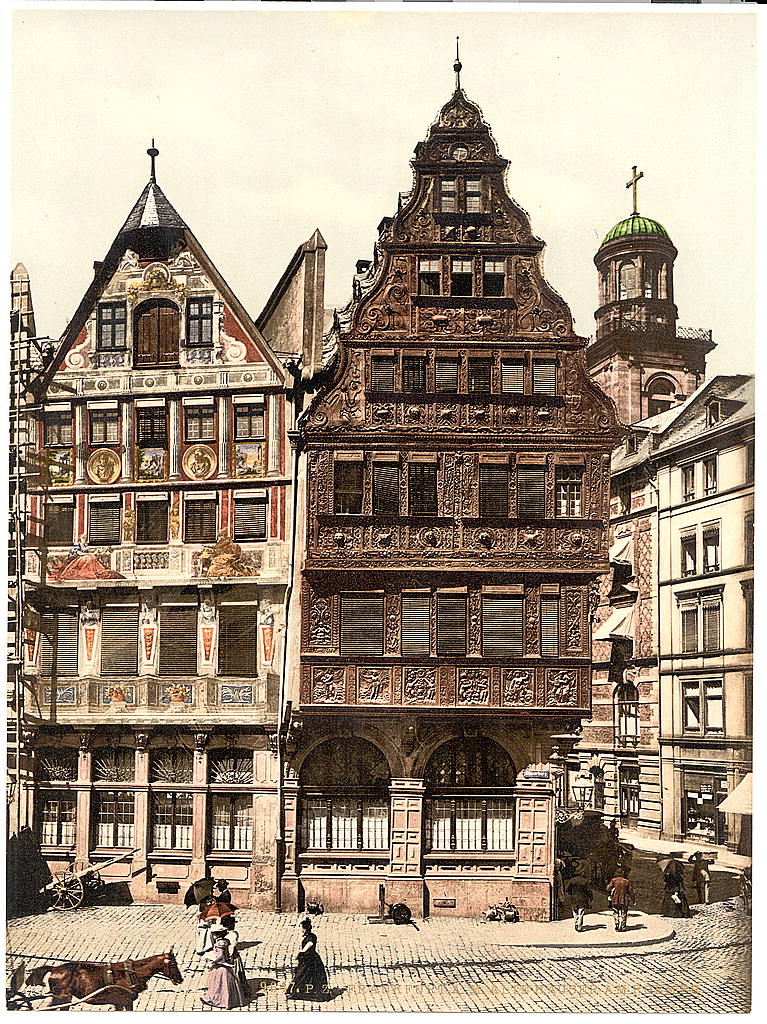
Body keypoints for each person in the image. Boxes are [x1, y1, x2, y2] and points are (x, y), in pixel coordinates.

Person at [287, 917, 330, 1001]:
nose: (301, 930)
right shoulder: (309, 936)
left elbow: (310, 943)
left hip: (310, 960)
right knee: (302, 975)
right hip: (307, 959)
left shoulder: (311, 937)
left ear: (305, 928)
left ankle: (297, 993)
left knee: (302, 975)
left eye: (302, 928)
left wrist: (302, 951)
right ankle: (297, 992)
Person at [200, 934, 248, 1009]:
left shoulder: (220, 943)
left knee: (218, 986)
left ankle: (216, 1000)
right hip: (228, 967)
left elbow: (221, 957)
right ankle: (230, 1001)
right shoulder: (226, 941)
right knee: (228, 985)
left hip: (221, 967)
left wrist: (213, 961)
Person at [565, 860, 592, 933]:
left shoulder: (572, 880)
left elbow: (567, 890)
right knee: (581, 912)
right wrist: (590, 897)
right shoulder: (585, 881)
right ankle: (579, 926)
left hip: (574, 898)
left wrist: (571, 894)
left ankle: (576, 922)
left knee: (574, 911)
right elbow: (588, 891)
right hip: (582, 899)